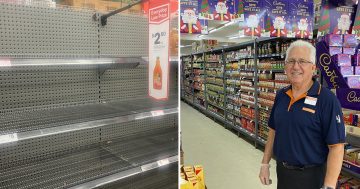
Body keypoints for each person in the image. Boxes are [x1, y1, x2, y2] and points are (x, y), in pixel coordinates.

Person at [259, 40, 345, 189]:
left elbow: (337, 147)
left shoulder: (327, 100)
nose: (295, 66)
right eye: (291, 61)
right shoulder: (281, 95)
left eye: (302, 61)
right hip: (283, 173)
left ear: (313, 67)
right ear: (285, 66)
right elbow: (273, 131)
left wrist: (329, 186)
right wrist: (265, 163)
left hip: (312, 177)